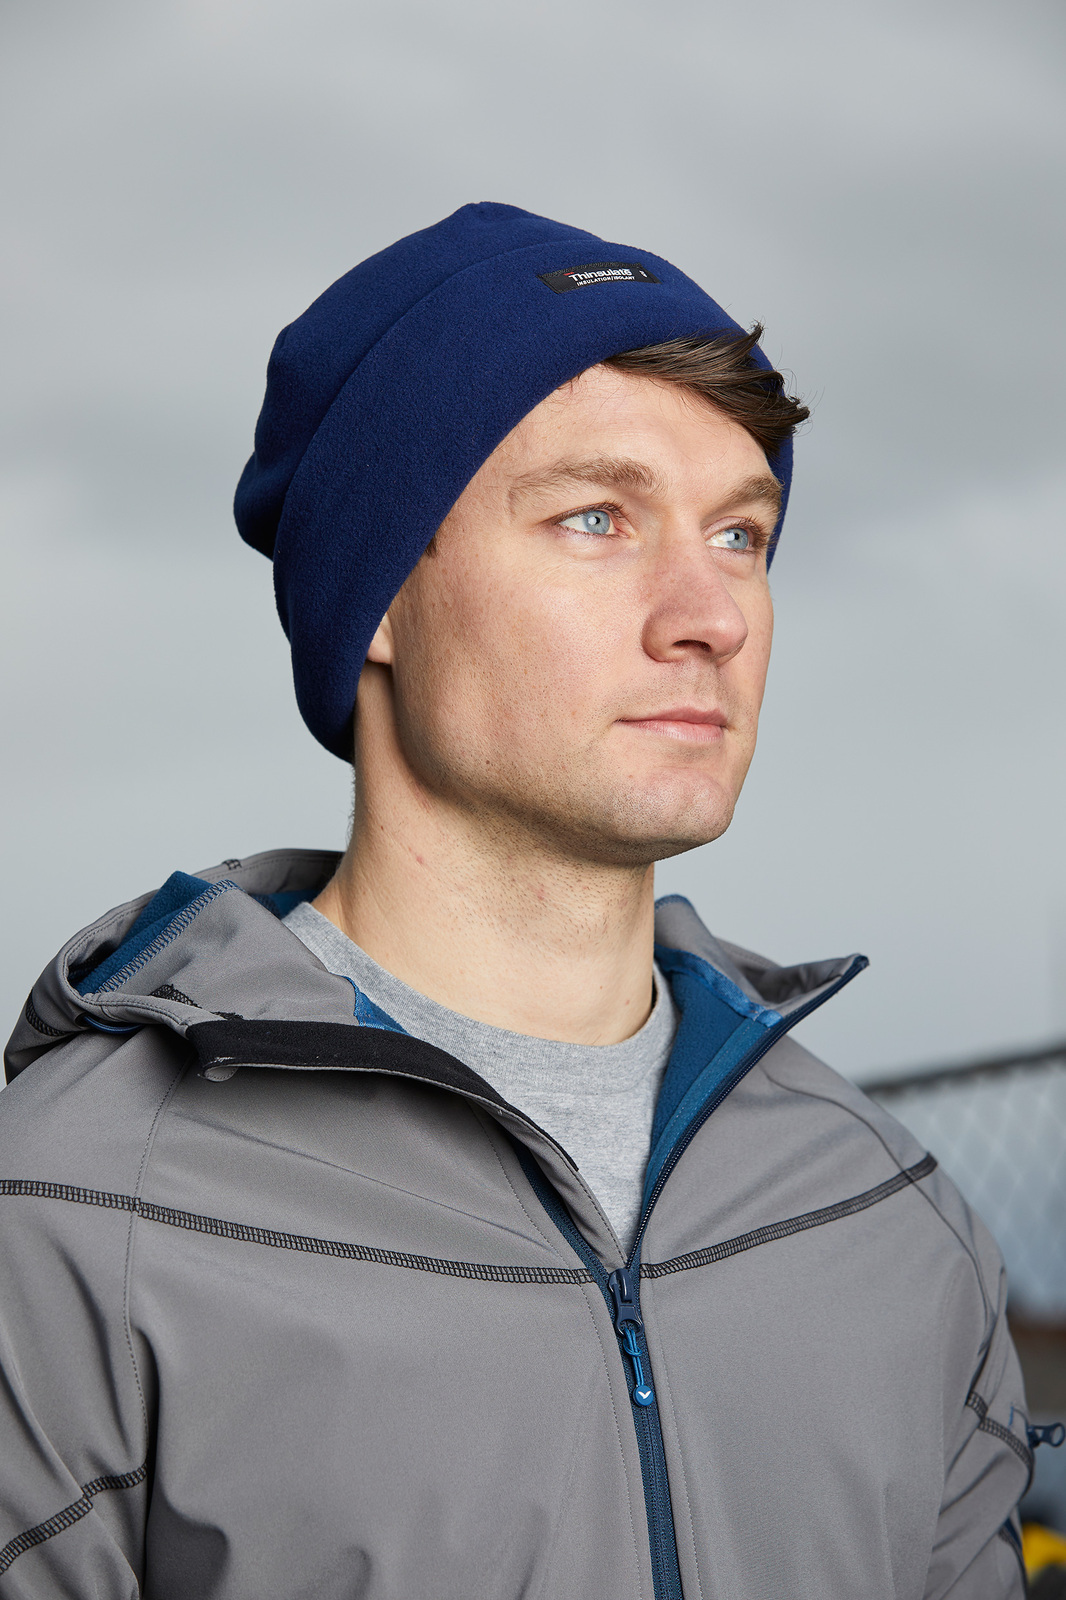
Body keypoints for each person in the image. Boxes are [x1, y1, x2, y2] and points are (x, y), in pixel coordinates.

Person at [0, 203, 1033, 1599]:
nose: (712, 614)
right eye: (596, 519)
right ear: (376, 598)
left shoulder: (878, 1205)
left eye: (739, 532)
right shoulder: (73, 1214)